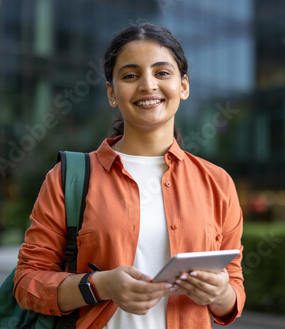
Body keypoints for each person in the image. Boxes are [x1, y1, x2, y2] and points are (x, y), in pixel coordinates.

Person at [13, 22, 245, 329]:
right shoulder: (68, 178)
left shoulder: (217, 183)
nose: (148, 85)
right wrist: (100, 285)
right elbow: (27, 283)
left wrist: (220, 292)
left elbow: (234, 292)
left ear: (184, 86)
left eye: (162, 72)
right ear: (112, 92)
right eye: (130, 75)